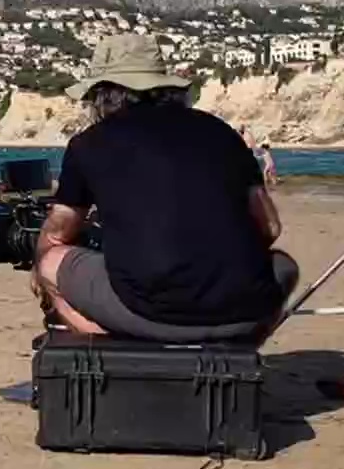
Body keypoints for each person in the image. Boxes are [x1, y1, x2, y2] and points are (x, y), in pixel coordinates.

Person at [32, 35, 300, 342]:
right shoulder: (220, 132)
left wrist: (37, 263)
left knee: (50, 262)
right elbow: (270, 228)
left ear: (101, 95)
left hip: (149, 312)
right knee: (283, 265)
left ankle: (115, 336)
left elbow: (59, 232)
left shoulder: (90, 143)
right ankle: (236, 345)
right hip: (243, 314)